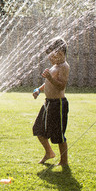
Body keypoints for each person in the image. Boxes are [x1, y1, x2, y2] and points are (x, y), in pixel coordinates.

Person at [32, 37, 70, 169]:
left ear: (60, 53)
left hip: (58, 104)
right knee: (38, 129)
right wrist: (39, 89)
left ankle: (64, 161)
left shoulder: (64, 67)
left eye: (52, 55)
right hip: (48, 103)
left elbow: (61, 86)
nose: (50, 58)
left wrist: (49, 78)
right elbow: (47, 83)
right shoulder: (54, 66)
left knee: (58, 134)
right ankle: (49, 152)